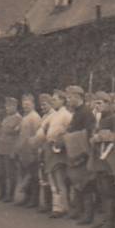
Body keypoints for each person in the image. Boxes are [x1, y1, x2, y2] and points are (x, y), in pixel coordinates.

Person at [89, 91, 115, 228]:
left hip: (109, 160)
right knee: (102, 190)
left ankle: (111, 222)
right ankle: (105, 219)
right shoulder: (99, 118)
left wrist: (101, 136)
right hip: (99, 159)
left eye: (100, 103)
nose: (97, 106)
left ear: (108, 104)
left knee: (109, 191)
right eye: (96, 103)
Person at [64, 85, 96, 222]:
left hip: (83, 152)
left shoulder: (86, 112)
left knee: (86, 184)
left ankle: (88, 215)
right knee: (77, 182)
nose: (68, 100)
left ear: (78, 97)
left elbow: (89, 133)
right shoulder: (78, 112)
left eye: (70, 97)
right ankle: (79, 210)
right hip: (75, 151)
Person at [43, 89, 73, 218]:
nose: (53, 102)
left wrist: (60, 139)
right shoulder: (53, 115)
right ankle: (56, 206)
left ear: (62, 100)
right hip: (50, 148)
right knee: (52, 179)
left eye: (55, 100)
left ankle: (63, 208)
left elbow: (69, 131)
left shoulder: (66, 115)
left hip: (59, 150)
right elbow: (45, 127)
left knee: (59, 179)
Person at [0, 97, 22, 202]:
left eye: (11, 106)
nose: (8, 108)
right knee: (0, 172)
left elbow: (18, 136)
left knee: (11, 174)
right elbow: (1, 133)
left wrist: (14, 151)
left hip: (10, 150)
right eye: (7, 106)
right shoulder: (5, 118)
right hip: (1, 149)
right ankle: (2, 193)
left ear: (15, 106)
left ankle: (10, 195)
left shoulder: (18, 118)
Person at [15, 93, 42, 207]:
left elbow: (37, 135)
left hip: (31, 151)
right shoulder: (25, 117)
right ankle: (27, 197)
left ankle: (34, 200)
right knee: (25, 174)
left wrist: (34, 150)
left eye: (27, 104)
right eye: (23, 104)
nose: (25, 106)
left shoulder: (35, 117)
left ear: (33, 104)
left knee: (33, 176)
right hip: (23, 151)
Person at [34, 93, 54, 213]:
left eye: (45, 104)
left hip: (48, 148)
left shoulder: (52, 116)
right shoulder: (44, 115)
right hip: (42, 148)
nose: (43, 107)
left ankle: (50, 204)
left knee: (48, 175)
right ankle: (46, 203)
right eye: (41, 105)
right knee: (43, 176)